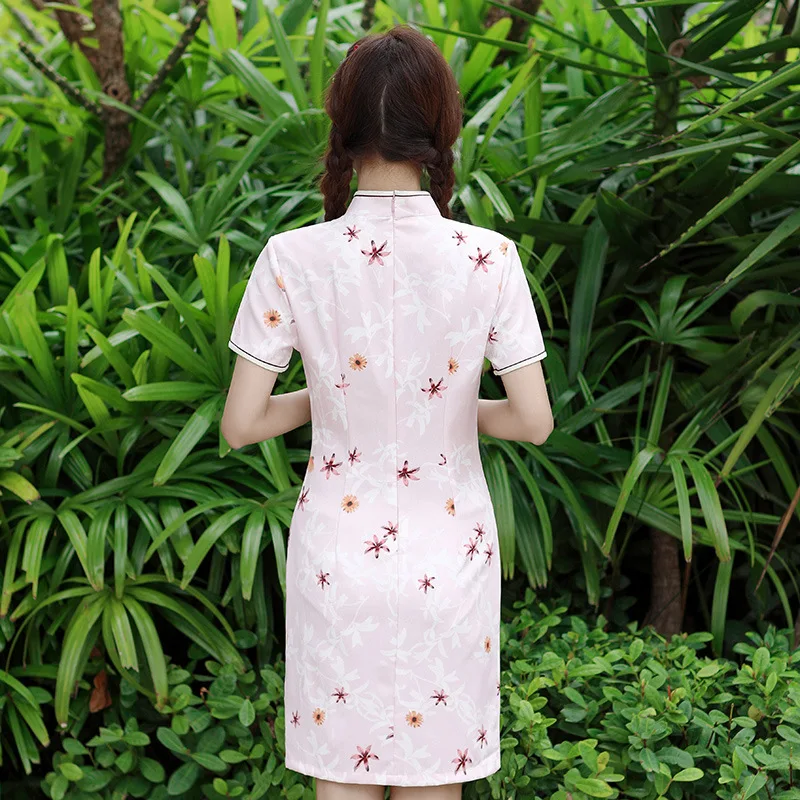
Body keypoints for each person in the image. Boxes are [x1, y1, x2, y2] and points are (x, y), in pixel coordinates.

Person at [221, 23, 554, 800]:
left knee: (341, 781)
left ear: (342, 126)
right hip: (450, 560)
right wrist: (443, 408)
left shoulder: (292, 257)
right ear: (439, 126)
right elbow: (533, 422)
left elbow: (242, 425)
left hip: (337, 559)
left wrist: (342, 397)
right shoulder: (491, 257)